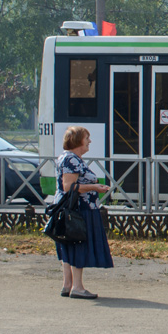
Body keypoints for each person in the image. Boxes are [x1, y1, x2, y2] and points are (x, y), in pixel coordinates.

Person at [54, 126, 112, 299]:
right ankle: (77, 287)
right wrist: (94, 187)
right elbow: (69, 186)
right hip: (78, 210)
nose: (90, 141)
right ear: (78, 140)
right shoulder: (71, 159)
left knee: (69, 245)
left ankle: (68, 285)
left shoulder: (70, 158)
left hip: (73, 209)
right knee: (77, 244)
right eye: (87, 138)